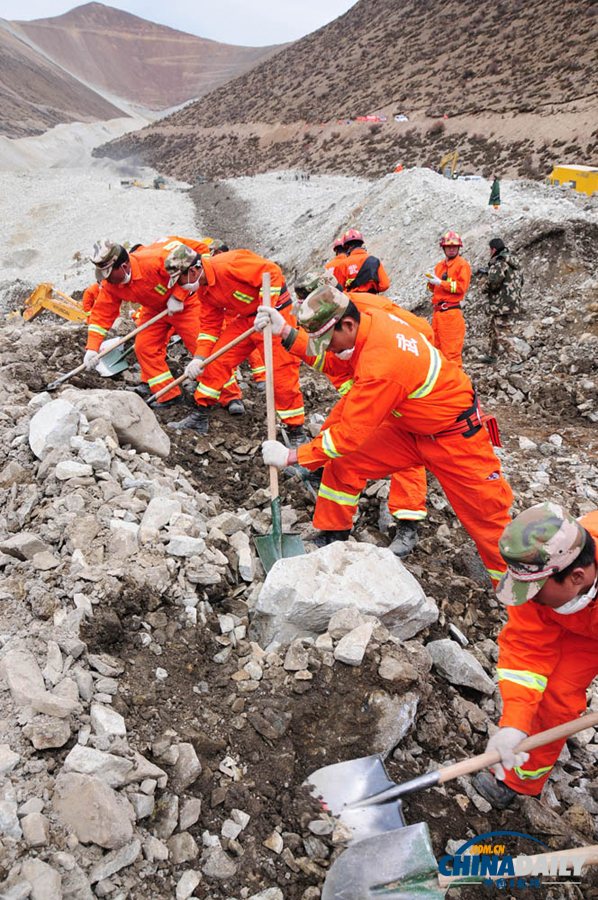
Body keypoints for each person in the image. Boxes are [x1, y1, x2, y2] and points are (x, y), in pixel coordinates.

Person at [256, 286, 512, 582]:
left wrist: (291, 456)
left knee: (489, 521)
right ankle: (332, 537)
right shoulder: (367, 323)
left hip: (455, 438)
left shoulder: (381, 363)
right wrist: (286, 332)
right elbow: (333, 362)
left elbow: (347, 436)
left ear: (347, 324)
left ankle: (522, 603)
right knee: (345, 461)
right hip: (410, 429)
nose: (326, 348)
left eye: (327, 341)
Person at [293, 270, 433, 558]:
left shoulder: (368, 310)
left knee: (406, 450)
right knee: (335, 440)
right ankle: (335, 528)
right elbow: (327, 357)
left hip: (401, 381)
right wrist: (285, 336)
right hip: (367, 380)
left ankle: (407, 523)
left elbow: (423, 336)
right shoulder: (338, 320)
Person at [473, 502, 598, 809]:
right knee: (555, 693)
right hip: (579, 628)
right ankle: (520, 778)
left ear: (577, 577)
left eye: (536, 592)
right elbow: (525, 651)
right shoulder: (535, 574)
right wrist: (513, 724)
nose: (527, 598)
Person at [84, 237, 243, 411]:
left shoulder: (155, 260)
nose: (107, 280)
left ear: (123, 266)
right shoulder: (110, 285)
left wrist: (179, 295)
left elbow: (190, 263)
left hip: (187, 306)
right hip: (154, 310)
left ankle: (231, 396)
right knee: (144, 348)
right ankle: (168, 395)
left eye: (108, 273)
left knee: (204, 349)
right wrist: (92, 348)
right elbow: (102, 314)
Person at [169, 249, 306, 444]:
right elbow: (209, 327)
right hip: (248, 320)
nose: (179, 286)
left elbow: (272, 272)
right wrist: (199, 358)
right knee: (215, 360)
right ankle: (200, 415)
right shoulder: (204, 289)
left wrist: (266, 309)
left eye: (179, 279)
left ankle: (296, 432)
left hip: (276, 315)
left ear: (193, 270)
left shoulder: (229, 264)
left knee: (281, 375)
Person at [207, 239, 266, 392]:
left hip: (245, 314)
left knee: (251, 345)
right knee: (226, 352)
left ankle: (262, 377)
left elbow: (267, 275)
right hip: (234, 314)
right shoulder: (215, 271)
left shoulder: (232, 265)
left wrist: (264, 308)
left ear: (218, 252)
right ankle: (238, 383)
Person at [426, 231, 471, 368]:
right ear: (443, 248)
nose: (451, 249)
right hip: (438, 313)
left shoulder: (462, 265)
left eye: (454, 247)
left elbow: (460, 288)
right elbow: (434, 290)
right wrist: (431, 283)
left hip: (451, 313)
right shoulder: (440, 266)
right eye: (449, 247)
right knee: (436, 351)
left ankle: (457, 387)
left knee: (451, 354)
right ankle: (443, 385)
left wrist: (440, 283)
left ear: (458, 248)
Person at [480, 238, 524, 366]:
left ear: (493, 249)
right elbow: (521, 281)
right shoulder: (513, 261)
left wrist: (484, 288)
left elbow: (494, 283)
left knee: (503, 333)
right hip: (511, 301)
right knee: (493, 328)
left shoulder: (499, 262)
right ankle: (492, 355)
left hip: (501, 304)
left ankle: (517, 361)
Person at [331, 229, 390, 294]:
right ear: (361, 244)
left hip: (354, 301)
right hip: (372, 299)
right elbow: (385, 285)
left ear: (346, 246)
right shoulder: (374, 261)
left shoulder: (343, 264)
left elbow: (339, 290)